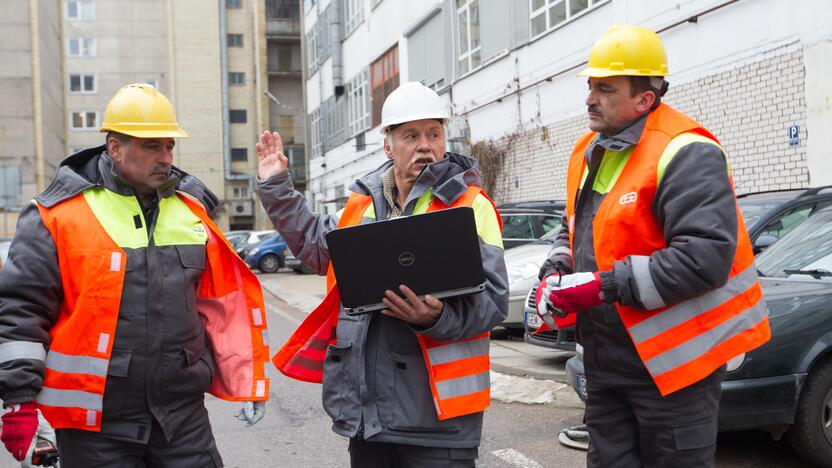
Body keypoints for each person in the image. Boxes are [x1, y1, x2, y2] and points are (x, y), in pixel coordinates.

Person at [535, 25, 770, 467]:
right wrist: (556, 270)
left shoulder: (686, 151)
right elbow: (573, 228)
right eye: (590, 86)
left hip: (678, 369)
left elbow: (704, 258)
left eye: (605, 88)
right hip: (608, 366)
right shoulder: (590, 148)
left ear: (645, 99)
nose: (589, 98)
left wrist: (602, 286)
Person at [0, 83, 270, 467]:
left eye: (169, 146)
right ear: (114, 147)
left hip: (182, 419)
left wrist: (246, 376)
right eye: (151, 146)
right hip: (94, 427)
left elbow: (220, 306)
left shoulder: (191, 211)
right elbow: (21, 311)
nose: (165, 157)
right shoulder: (56, 214)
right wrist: (18, 401)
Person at [258, 82, 508, 468]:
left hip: (438, 423)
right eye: (411, 135)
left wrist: (435, 318)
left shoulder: (471, 206)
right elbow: (317, 246)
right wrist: (276, 186)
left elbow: (493, 303)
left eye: (434, 133)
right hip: (369, 419)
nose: (426, 145)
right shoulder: (362, 205)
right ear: (388, 144)